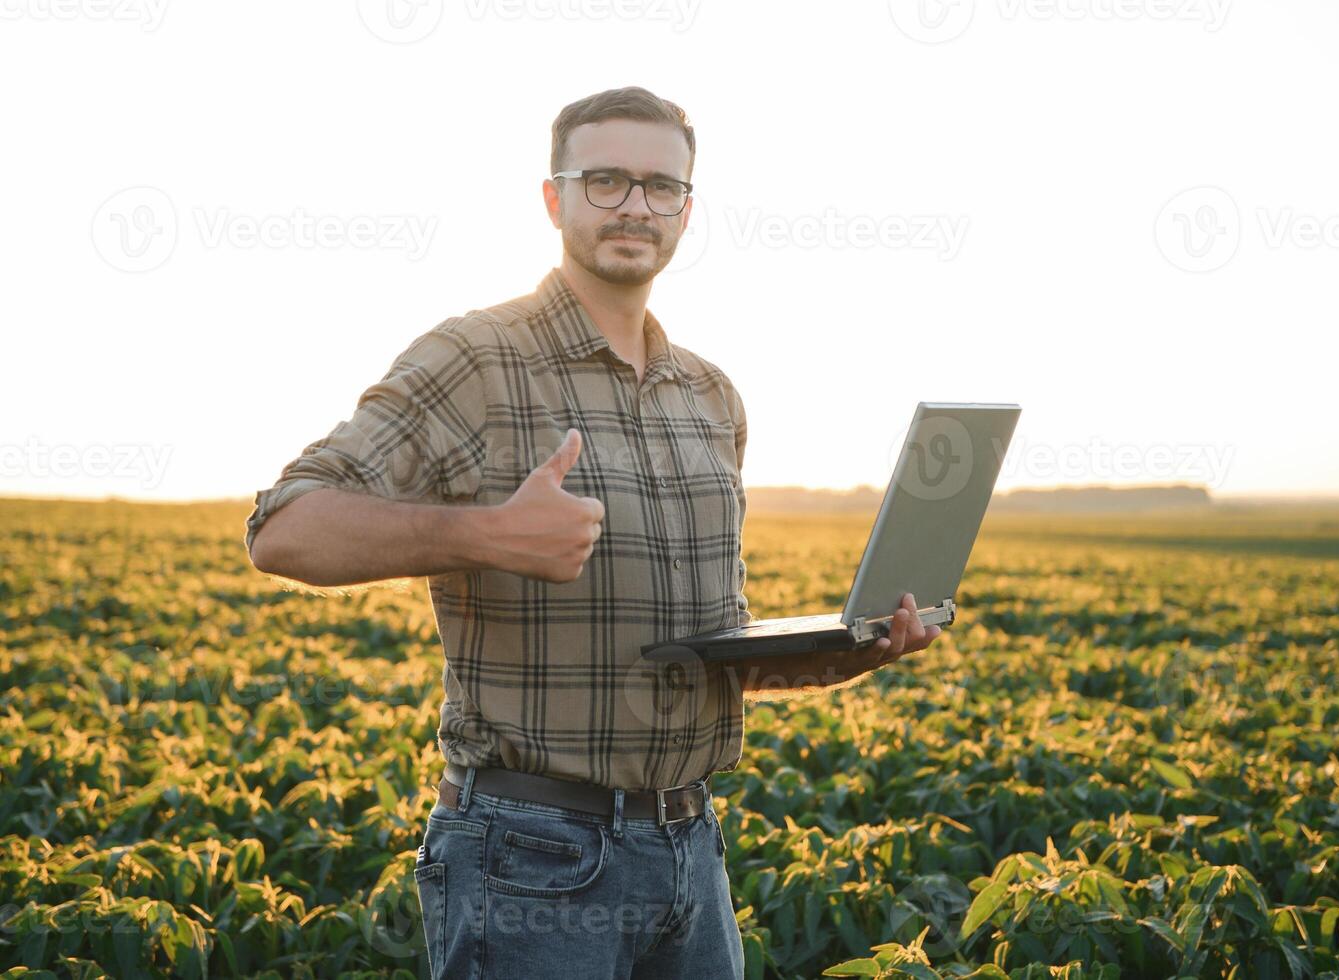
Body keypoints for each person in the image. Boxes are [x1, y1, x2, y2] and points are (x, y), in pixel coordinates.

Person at [244, 85, 940, 980]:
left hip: (691, 848)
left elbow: (705, 657)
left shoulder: (709, 396)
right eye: (604, 180)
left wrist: (853, 649)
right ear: (554, 198)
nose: (634, 206)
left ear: (687, 210)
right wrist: (491, 535)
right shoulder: (477, 357)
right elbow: (285, 526)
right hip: (530, 857)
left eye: (660, 187)